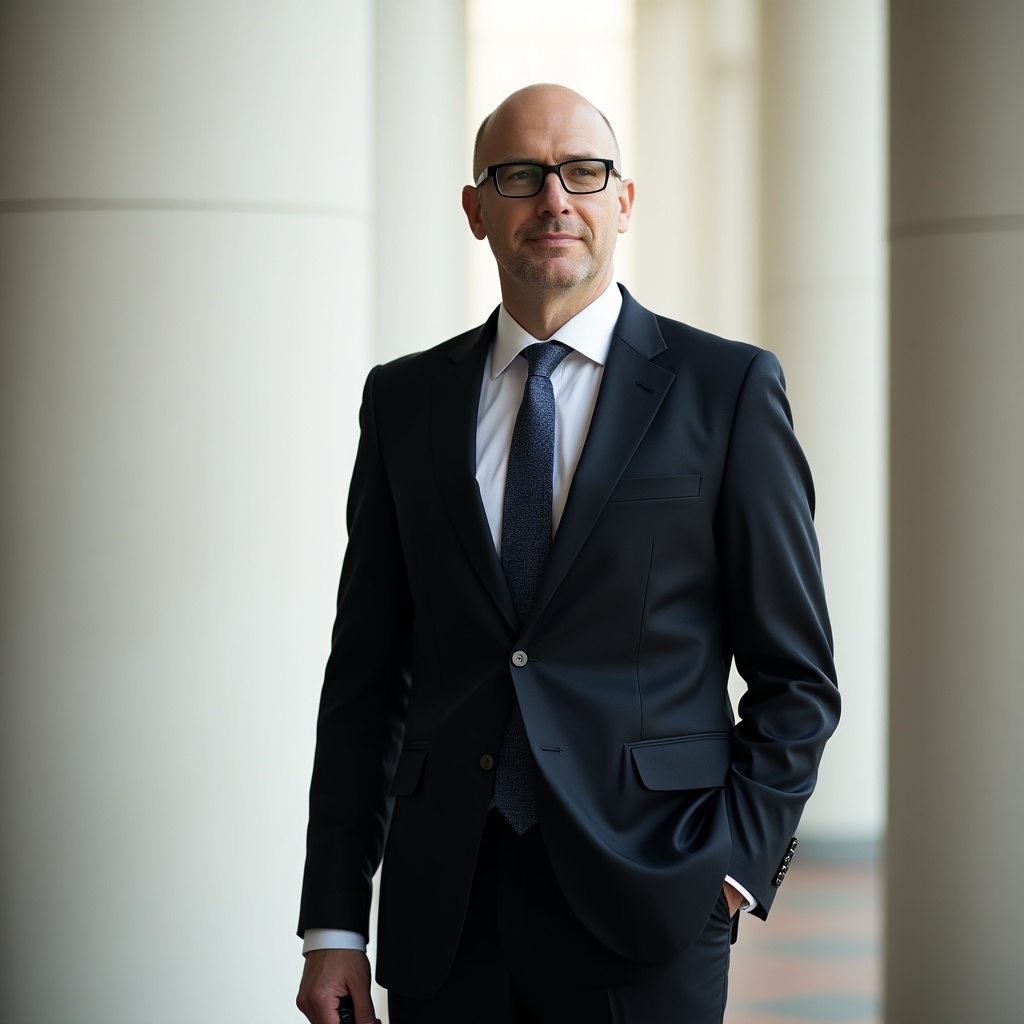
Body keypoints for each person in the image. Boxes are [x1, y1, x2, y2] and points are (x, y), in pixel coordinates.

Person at [296, 83, 839, 1024]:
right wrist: (335, 923)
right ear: (476, 209)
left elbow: (798, 679)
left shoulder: (727, 389)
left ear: (622, 200)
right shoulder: (405, 402)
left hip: (652, 903)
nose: (556, 199)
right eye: (521, 175)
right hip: (445, 915)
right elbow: (366, 681)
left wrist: (733, 870)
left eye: (583, 172)